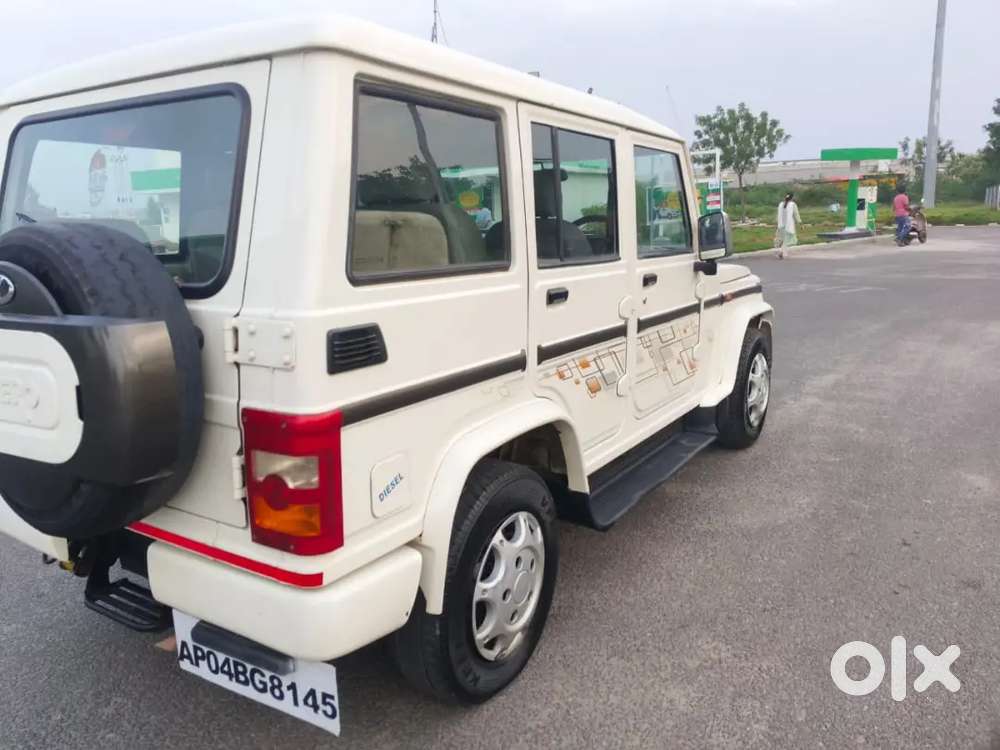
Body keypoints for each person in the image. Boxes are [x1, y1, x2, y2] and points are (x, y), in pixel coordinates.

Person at [775, 193, 801, 259]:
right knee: (786, 240)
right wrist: (800, 223)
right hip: (788, 225)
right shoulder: (793, 205)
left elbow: (778, 214)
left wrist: (777, 222)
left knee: (783, 240)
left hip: (781, 225)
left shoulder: (780, 204)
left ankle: (783, 252)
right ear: (792, 198)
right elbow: (796, 214)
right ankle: (782, 252)